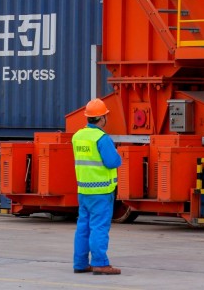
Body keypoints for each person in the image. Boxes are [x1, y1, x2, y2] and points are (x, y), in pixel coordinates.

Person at [72, 98, 123, 276]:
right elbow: (113, 162)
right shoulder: (102, 138)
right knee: (99, 227)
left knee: (83, 227)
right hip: (101, 191)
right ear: (102, 118)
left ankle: (80, 263)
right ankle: (100, 263)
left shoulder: (77, 136)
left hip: (84, 190)